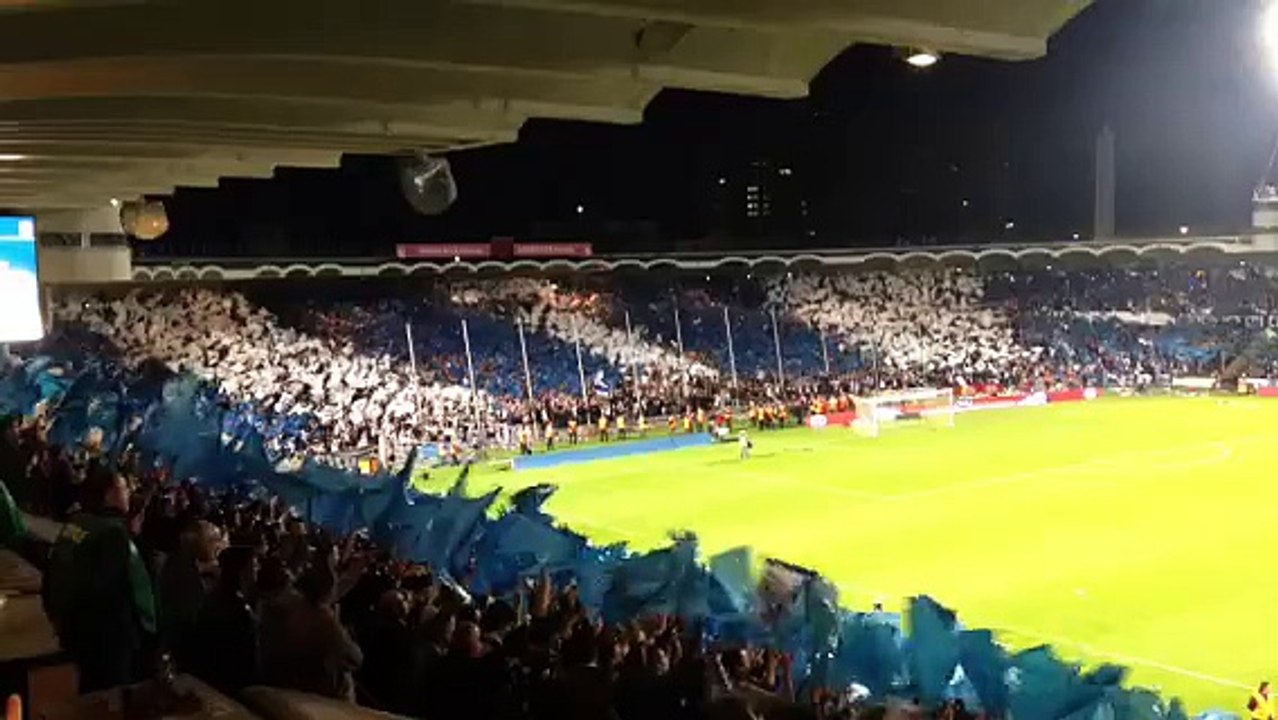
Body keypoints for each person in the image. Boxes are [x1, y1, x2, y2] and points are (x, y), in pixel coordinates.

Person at [43, 467, 157, 691]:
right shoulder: (112, 533)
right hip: (107, 642)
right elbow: (110, 590)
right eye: (125, 488)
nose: (129, 493)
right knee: (109, 698)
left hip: (75, 630)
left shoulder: (78, 522)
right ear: (109, 494)